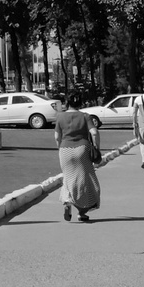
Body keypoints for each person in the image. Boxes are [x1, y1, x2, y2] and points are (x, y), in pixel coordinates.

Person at [54, 93, 101, 222]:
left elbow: (57, 137)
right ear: (80, 103)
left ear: (67, 103)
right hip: (82, 149)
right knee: (84, 180)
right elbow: (94, 133)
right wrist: (96, 147)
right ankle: (82, 212)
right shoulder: (85, 116)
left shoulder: (60, 117)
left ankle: (67, 200)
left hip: (65, 150)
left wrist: (60, 148)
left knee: (68, 177)